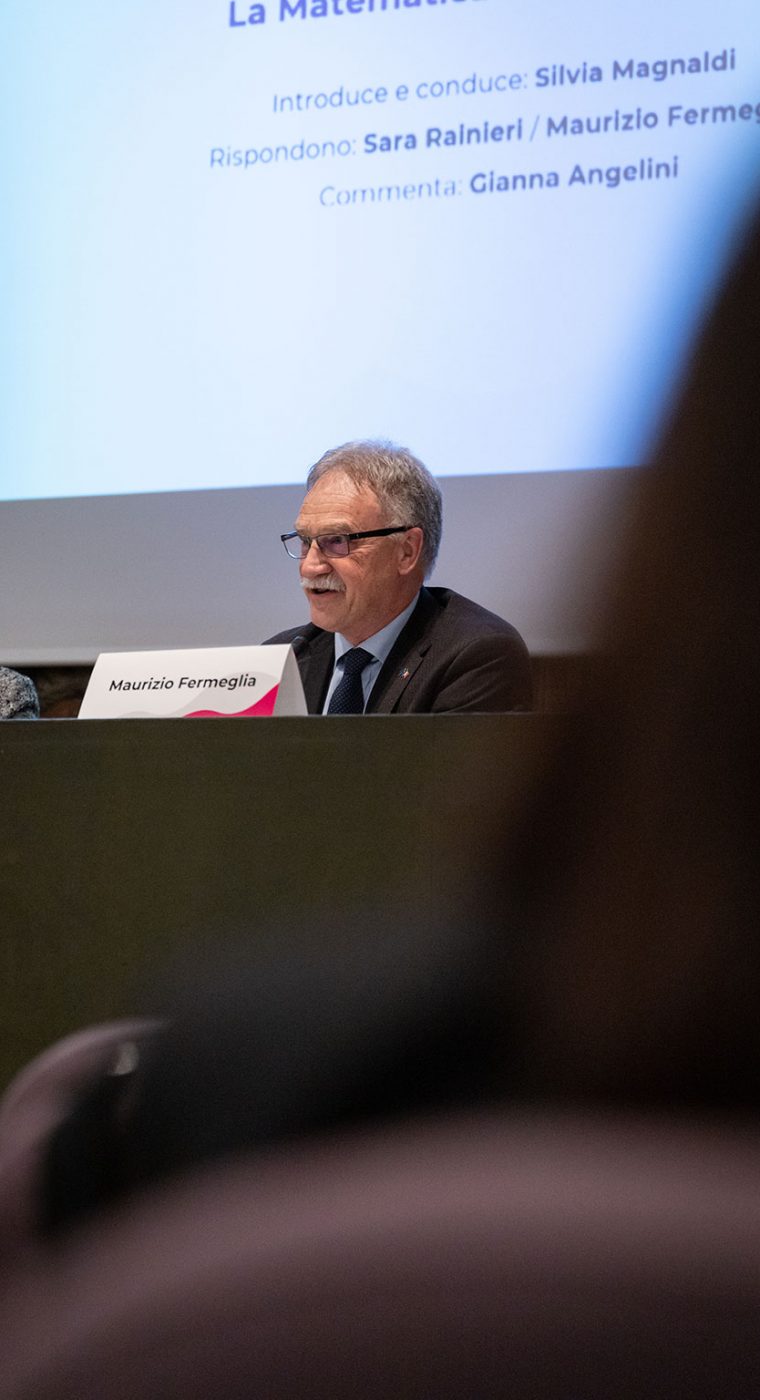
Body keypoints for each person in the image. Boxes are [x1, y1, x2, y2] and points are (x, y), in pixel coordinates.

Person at [266, 440, 533, 713]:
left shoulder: (475, 657)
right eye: (305, 540)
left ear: (407, 551)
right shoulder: (282, 659)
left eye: (336, 540)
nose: (310, 567)